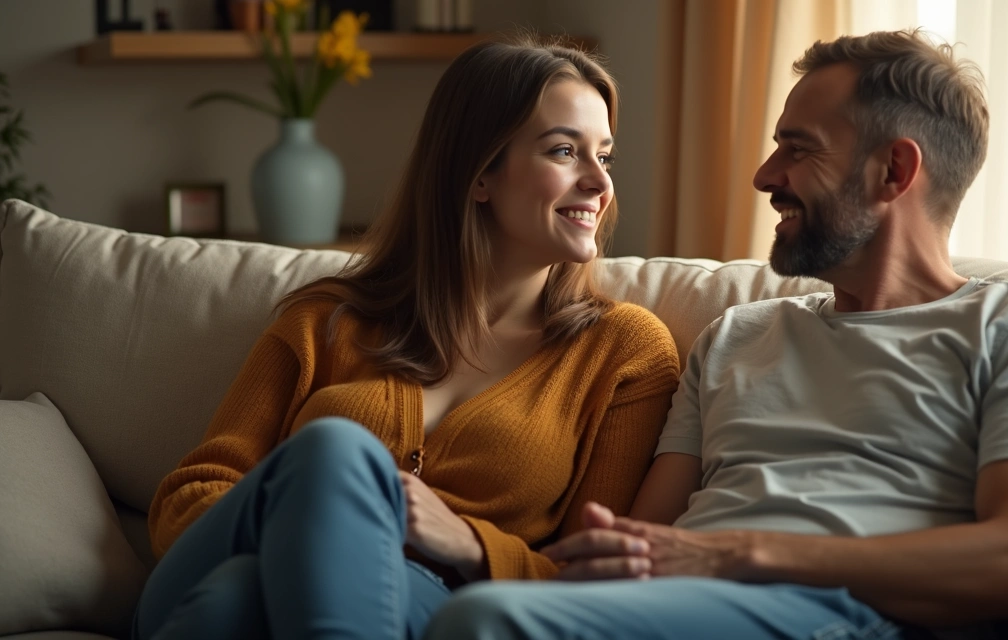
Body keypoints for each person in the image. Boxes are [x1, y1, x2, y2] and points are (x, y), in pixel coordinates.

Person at [422, 29, 1008, 640]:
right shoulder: (736, 334)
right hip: (681, 608)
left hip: (857, 615)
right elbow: (643, 543)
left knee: (488, 622)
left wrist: (735, 554)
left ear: (894, 170)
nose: (764, 176)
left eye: (797, 149)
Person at [134, 37, 680, 639]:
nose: (599, 182)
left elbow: (593, 577)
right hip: (222, 562)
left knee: (231, 601)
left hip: (433, 609)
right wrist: (316, 522)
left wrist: (467, 542)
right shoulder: (326, 320)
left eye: (605, 156)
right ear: (479, 172)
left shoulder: (625, 353)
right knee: (333, 453)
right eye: (564, 151)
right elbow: (191, 497)